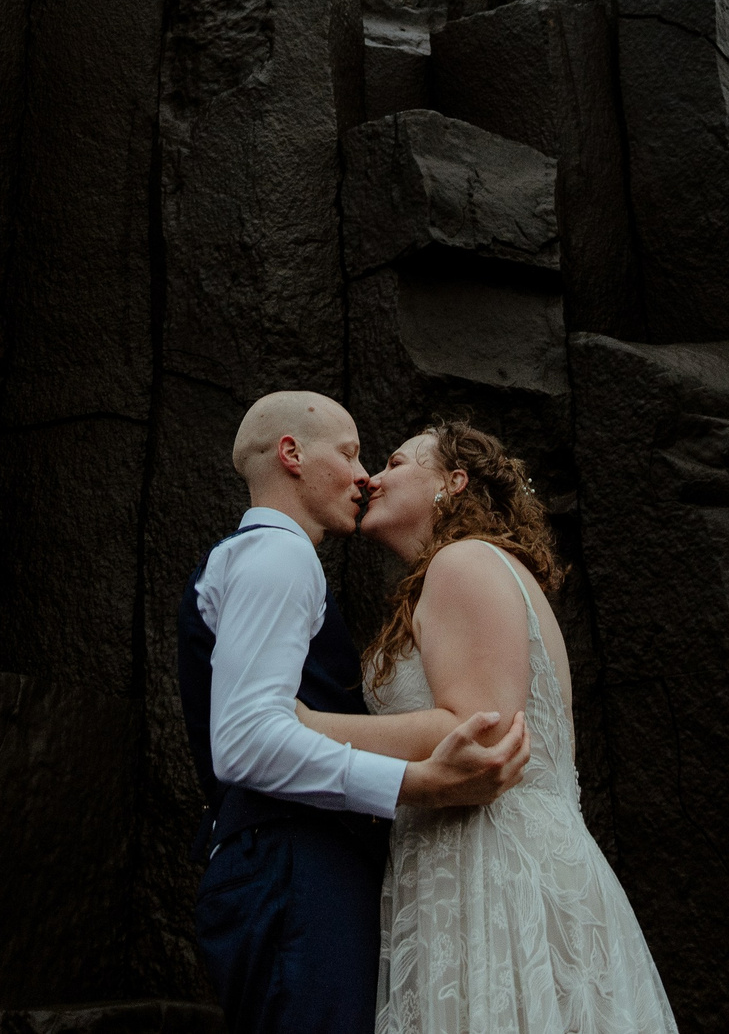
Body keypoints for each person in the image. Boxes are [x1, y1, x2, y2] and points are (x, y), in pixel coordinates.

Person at [300, 417, 680, 1034]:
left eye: (396, 463)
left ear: (453, 482)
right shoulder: (473, 569)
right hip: (492, 858)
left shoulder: (464, 561)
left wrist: (305, 727)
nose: (371, 478)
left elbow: (481, 728)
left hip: (493, 865)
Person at [178, 391, 534, 1034]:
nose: (363, 475)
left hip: (290, 866)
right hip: (292, 865)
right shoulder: (279, 554)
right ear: (291, 454)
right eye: (349, 453)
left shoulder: (262, 559)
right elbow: (247, 741)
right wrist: (416, 783)